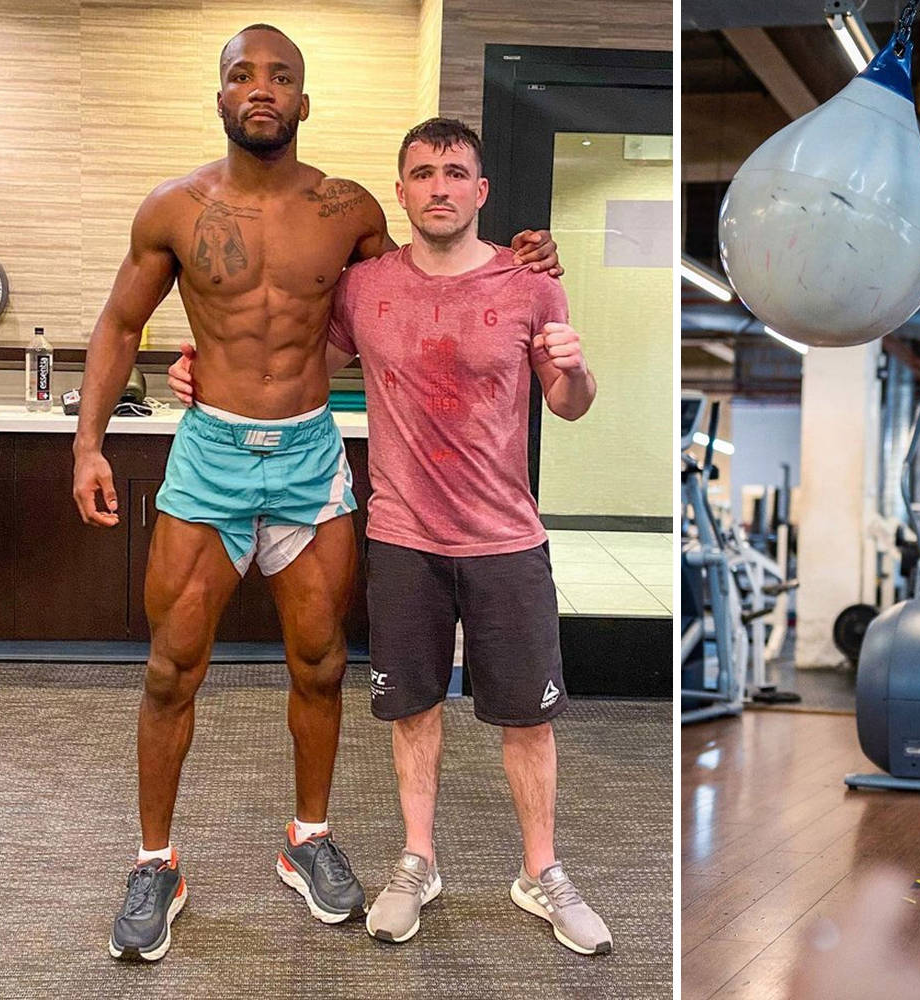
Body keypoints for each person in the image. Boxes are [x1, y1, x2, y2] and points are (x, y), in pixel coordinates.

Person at [72, 24, 558, 963]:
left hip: (307, 458)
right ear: (218, 97)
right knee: (172, 664)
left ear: (304, 102)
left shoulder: (349, 208)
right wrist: (88, 445)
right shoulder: (172, 209)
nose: (261, 88)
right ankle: (155, 861)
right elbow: (119, 322)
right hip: (210, 458)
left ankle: (309, 840)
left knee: (321, 661)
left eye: (280, 77)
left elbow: (432, 267)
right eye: (242, 75)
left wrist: (521, 259)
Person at [169, 117, 610, 955]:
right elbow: (296, 357)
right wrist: (202, 369)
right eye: (421, 173)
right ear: (400, 191)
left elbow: (568, 403)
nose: (438, 187)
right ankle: (418, 861)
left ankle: (541, 872)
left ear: (480, 191)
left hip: (505, 537)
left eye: (454, 173)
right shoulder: (364, 287)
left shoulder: (528, 284)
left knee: (529, 721)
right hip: (403, 535)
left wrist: (579, 366)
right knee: (413, 710)